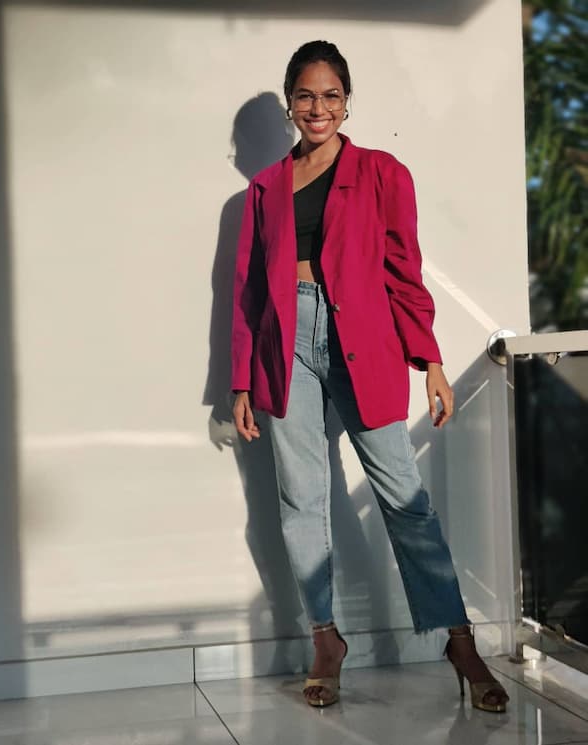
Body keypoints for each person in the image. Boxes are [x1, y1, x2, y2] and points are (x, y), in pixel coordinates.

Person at [231, 40, 509, 712]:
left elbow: (403, 272)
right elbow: (246, 292)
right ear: (291, 102)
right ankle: (326, 638)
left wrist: (432, 359)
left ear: (346, 101)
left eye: (330, 95)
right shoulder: (264, 189)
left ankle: (458, 637)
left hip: (364, 338)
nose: (317, 107)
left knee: (403, 495)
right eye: (304, 95)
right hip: (285, 343)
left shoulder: (383, 172)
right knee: (300, 498)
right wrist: (242, 379)